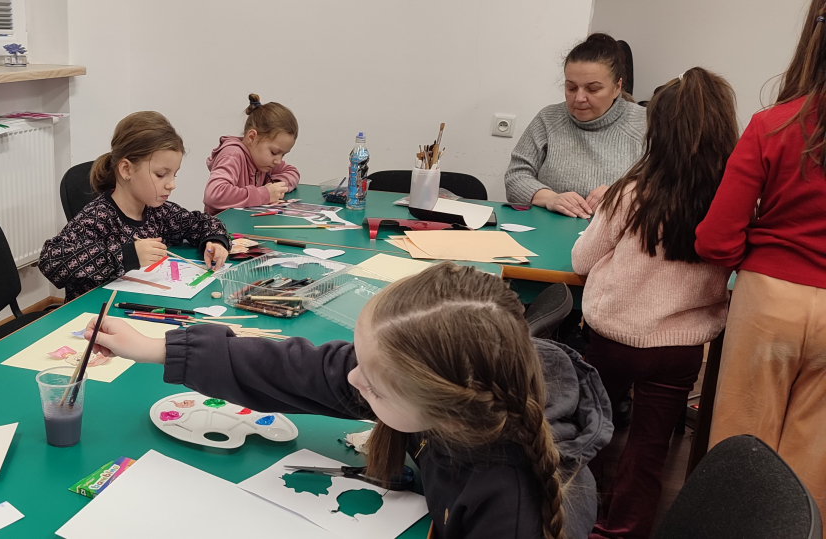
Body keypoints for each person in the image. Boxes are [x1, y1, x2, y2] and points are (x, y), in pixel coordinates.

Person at [82, 263, 612, 539]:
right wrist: (159, 348)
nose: (353, 377)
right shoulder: (452, 381)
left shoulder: (520, 508)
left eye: (375, 386)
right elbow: (303, 369)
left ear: (446, 406)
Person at [572, 67, 736, 539]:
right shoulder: (732, 200)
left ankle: (580, 517)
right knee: (649, 446)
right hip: (681, 347)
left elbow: (583, 260)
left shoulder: (632, 192)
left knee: (591, 431)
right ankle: (624, 530)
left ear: (658, 131)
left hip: (614, 337)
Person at [696, 1, 826, 525]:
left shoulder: (773, 125)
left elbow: (715, 238)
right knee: (812, 467)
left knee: (741, 448)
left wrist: (751, 260)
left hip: (768, 299)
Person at [40, 111, 230, 301]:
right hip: (95, 313)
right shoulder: (98, 217)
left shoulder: (159, 212)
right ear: (126, 170)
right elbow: (50, 260)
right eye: (160, 174)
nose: (171, 184)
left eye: (174, 174)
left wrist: (215, 241)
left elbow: (203, 223)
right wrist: (127, 255)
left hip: (142, 305)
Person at [504, 33, 646, 219]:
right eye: (571, 88)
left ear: (617, 87)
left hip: (617, 230)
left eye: (593, 89)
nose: (579, 98)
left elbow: (669, 187)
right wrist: (550, 198)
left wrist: (624, 195)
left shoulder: (645, 123)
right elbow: (516, 176)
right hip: (549, 227)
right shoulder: (548, 119)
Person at [203, 93, 300, 214]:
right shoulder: (232, 155)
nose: (278, 161)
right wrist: (264, 194)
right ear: (252, 137)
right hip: (221, 224)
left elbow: (292, 172)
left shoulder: (263, 162)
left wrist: (275, 188)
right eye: (274, 152)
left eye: (283, 155)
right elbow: (213, 194)